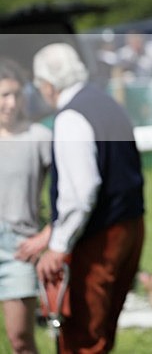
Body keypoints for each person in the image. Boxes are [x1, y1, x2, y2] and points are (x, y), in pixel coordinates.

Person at [32, 43, 145, 354]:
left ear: (48, 84)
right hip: (131, 225)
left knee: (84, 335)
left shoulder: (71, 117)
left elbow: (81, 192)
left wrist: (58, 245)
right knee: (104, 328)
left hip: (99, 235)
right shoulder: (108, 103)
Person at [0, 58, 52, 354]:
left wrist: (48, 234)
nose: (11, 103)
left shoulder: (39, 138)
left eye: (16, 94)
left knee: (20, 338)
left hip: (18, 247)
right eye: (4, 95)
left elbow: (71, 191)